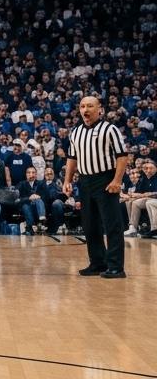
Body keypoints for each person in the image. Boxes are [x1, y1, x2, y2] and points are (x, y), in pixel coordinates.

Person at [65, 95, 129, 278]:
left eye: (90, 106)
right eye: (83, 106)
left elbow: (122, 156)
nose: (86, 110)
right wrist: (67, 181)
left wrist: (117, 180)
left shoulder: (110, 129)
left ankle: (116, 267)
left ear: (99, 109)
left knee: (112, 224)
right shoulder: (76, 132)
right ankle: (97, 263)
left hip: (105, 179)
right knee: (89, 224)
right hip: (84, 180)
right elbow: (72, 158)